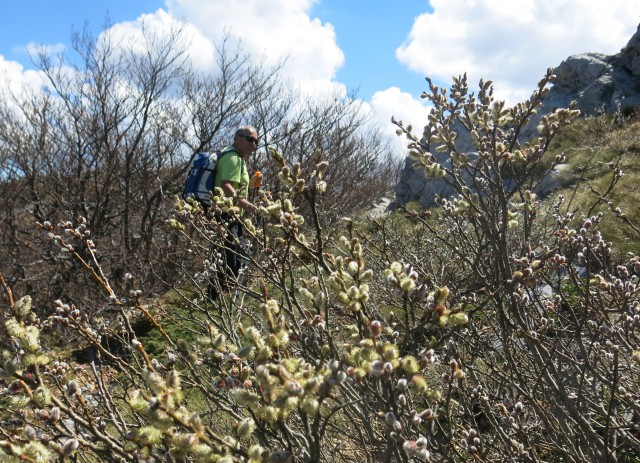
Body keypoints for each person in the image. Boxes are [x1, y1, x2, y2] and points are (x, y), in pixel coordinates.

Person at [209, 125, 260, 299]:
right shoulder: (232, 157)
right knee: (230, 257)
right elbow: (226, 186)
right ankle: (220, 297)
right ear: (237, 138)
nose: (253, 144)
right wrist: (250, 206)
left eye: (256, 141)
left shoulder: (237, 158)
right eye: (250, 139)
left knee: (226, 255)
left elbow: (235, 185)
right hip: (226, 214)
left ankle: (217, 296)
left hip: (229, 214)